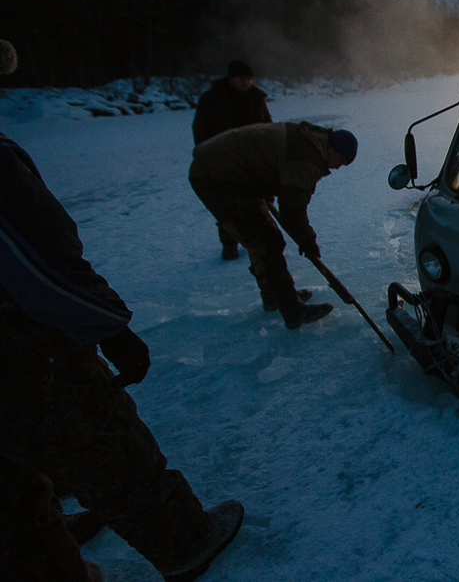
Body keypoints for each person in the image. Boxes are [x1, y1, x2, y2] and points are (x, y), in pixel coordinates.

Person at [0, 132, 243, 582]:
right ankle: (184, 542)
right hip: (17, 352)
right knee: (99, 443)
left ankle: (49, 560)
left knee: (10, 478)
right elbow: (40, 261)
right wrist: (108, 327)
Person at [188, 122, 357, 329]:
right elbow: (292, 207)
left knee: (265, 238)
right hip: (217, 178)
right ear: (331, 148)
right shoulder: (307, 157)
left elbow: (270, 163)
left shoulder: (311, 140)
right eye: (340, 160)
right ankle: (292, 310)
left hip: (233, 175)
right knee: (265, 241)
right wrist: (307, 240)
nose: (338, 166)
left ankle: (274, 296)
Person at [192, 60, 273, 261]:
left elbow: (267, 127)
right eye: (241, 79)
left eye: (248, 79)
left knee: (258, 198)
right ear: (231, 78)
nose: (245, 83)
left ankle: (258, 238)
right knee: (228, 202)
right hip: (223, 159)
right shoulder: (212, 99)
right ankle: (229, 243)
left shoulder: (256, 99)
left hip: (252, 159)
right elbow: (200, 129)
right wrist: (206, 154)